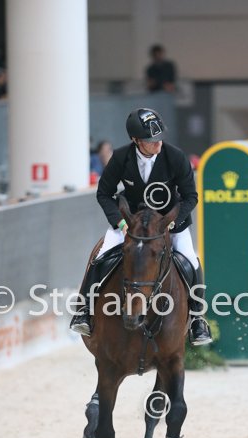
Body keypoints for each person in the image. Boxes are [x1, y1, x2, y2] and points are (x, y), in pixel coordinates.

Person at [70, 107, 212, 346]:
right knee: (101, 257)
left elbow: (191, 197)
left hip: (169, 222)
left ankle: (198, 319)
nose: (158, 143)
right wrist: (120, 222)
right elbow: (104, 193)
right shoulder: (121, 157)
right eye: (150, 140)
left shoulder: (175, 157)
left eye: (159, 138)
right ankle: (83, 310)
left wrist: (173, 221)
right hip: (131, 223)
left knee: (191, 260)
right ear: (136, 140)